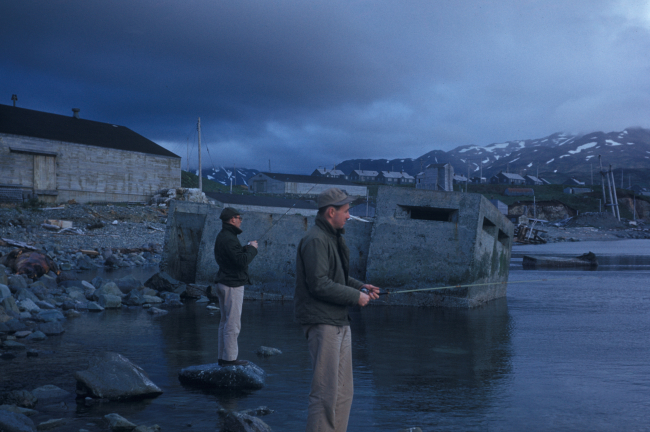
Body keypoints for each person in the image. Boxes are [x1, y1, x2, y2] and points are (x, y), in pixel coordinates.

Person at [295, 187, 380, 432]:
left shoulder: (331, 236)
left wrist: (361, 286)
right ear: (331, 212)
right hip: (323, 322)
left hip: (339, 320)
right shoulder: (315, 240)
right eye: (346, 211)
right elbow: (319, 284)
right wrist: (356, 297)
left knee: (344, 391)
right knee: (325, 393)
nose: (349, 215)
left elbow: (338, 277)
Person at [214, 207, 258, 366]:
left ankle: (222, 357)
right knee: (232, 323)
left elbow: (232, 257)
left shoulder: (223, 236)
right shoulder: (230, 238)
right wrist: (252, 249)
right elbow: (241, 262)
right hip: (232, 285)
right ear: (232, 219)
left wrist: (244, 249)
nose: (241, 220)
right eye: (239, 218)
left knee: (224, 322)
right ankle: (230, 359)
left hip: (223, 282)